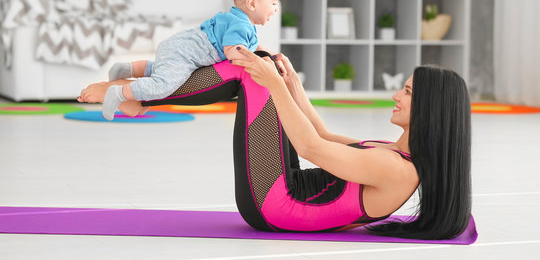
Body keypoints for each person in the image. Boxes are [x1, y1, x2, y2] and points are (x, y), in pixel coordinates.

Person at [77, 48, 471, 240]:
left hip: (276, 203)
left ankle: (134, 93)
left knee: (250, 70)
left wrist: (271, 82)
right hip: (283, 192)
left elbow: (311, 148)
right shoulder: (396, 155)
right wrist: (292, 85)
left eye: (406, 92)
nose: (396, 97)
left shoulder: (398, 170)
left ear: (430, 110)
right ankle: (138, 94)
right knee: (257, 63)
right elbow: (324, 136)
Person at [87, 0, 281, 120]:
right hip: (185, 53)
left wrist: (270, 56)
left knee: (164, 69)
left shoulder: (236, 20)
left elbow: (255, 47)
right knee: (162, 85)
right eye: (273, 3)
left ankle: (128, 69)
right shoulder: (242, 26)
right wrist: (254, 62)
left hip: (180, 46)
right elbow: (231, 51)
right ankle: (119, 93)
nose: (276, 9)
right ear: (252, 3)